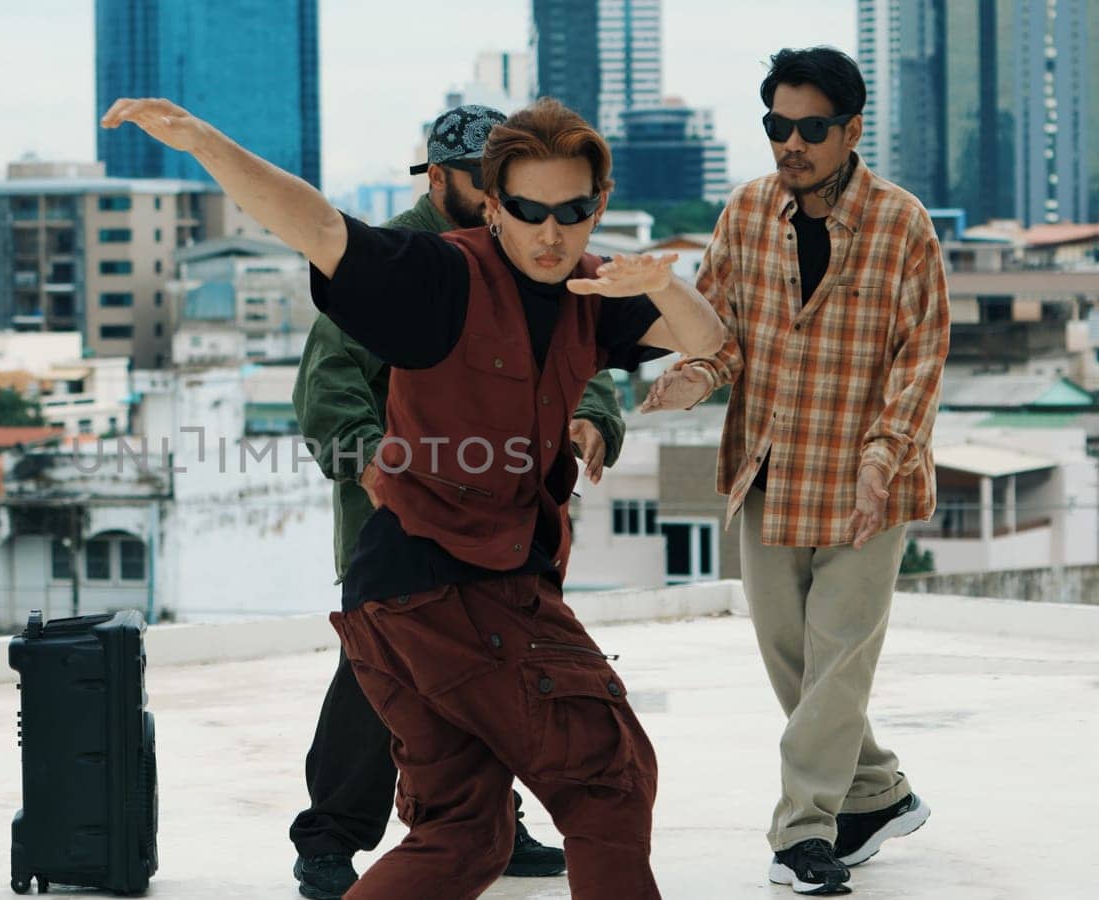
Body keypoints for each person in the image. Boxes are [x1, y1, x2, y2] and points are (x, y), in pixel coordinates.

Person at [104, 94, 727, 900]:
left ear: (597, 205)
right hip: (451, 582)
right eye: (528, 211)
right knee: (607, 778)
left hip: (407, 592)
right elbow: (319, 228)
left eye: (570, 213)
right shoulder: (438, 274)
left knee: (466, 834)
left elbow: (707, 340)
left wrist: (657, 288)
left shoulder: (589, 288)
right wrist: (203, 141)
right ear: (492, 204)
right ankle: (329, 833)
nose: (549, 233)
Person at [287, 103, 629, 899]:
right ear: (441, 178)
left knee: (505, 671)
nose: (506, 201)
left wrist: (594, 416)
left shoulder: (532, 249)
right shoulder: (401, 258)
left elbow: (592, 347)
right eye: (489, 185)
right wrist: (375, 468)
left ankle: (489, 824)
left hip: (509, 525)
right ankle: (332, 835)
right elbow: (328, 387)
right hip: (402, 527)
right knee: (379, 683)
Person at [641, 46, 945, 896]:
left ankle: (804, 832)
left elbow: (921, 359)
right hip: (769, 469)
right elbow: (720, 336)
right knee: (797, 663)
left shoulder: (901, 223)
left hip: (864, 483)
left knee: (839, 661)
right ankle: (878, 788)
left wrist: (885, 459)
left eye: (811, 128)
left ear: (851, 130)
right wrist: (690, 378)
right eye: (778, 125)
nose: (791, 143)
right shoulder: (744, 213)